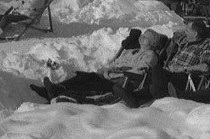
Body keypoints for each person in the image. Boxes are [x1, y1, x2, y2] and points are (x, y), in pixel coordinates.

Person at [31, 29, 164, 101]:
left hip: (121, 82)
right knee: (83, 77)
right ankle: (54, 89)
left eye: (146, 37)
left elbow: (139, 73)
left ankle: (58, 92)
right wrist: (107, 69)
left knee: (90, 84)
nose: (142, 38)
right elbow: (115, 63)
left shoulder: (150, 56)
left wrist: (113, 73)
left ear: (152, 43)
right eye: (143, 36)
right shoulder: (131, 51)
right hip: (110, 75)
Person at [113, 20, 210, 107]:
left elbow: (205, 67)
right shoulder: (185, 40)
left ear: (195, 34)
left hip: (186, 77)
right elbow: (175, 34)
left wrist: (183, 69)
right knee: (154, 75)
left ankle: (137, 97)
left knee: (156, 72)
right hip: (169, 73)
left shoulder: (208, 44)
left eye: (187, 30)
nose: (185, 31)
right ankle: (137, 97)